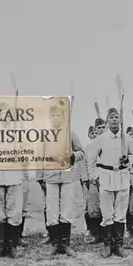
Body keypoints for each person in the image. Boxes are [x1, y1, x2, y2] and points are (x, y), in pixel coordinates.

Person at [87, 108, 133, 258]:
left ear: (120, 119)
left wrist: (128, 160)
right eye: (111, 117)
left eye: (117, 117)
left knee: (120, 213)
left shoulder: (127, 139)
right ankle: (108, 245)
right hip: (106, 176)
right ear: (107, 120)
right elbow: (91, 160)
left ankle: (119, 245)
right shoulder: (100, 139)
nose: (114, 119)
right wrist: (94, 176)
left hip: (122, 176)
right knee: (107, 212)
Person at [36, 105, 85, 257]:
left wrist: (73, 157)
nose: (56, 118)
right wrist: (40, 178)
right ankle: (55, 244)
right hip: (50, 178)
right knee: (52, 211)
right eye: (53, 115)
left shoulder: (71, 134)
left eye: (59, 115)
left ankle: (65, 244)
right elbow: (39, 157)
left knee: (66, 210)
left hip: (67, 177)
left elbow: (81, 152)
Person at [79, 121, 103, 245]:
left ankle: (109, 236)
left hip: (108, 179)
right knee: (93, 209)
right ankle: (96, 234)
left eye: (104, 127)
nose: (101, 130)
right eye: (98, 128)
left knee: (108, 208)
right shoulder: (89, 146)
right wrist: (85, 180)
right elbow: (84, 164)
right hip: (93, 180)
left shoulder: (111, 143)